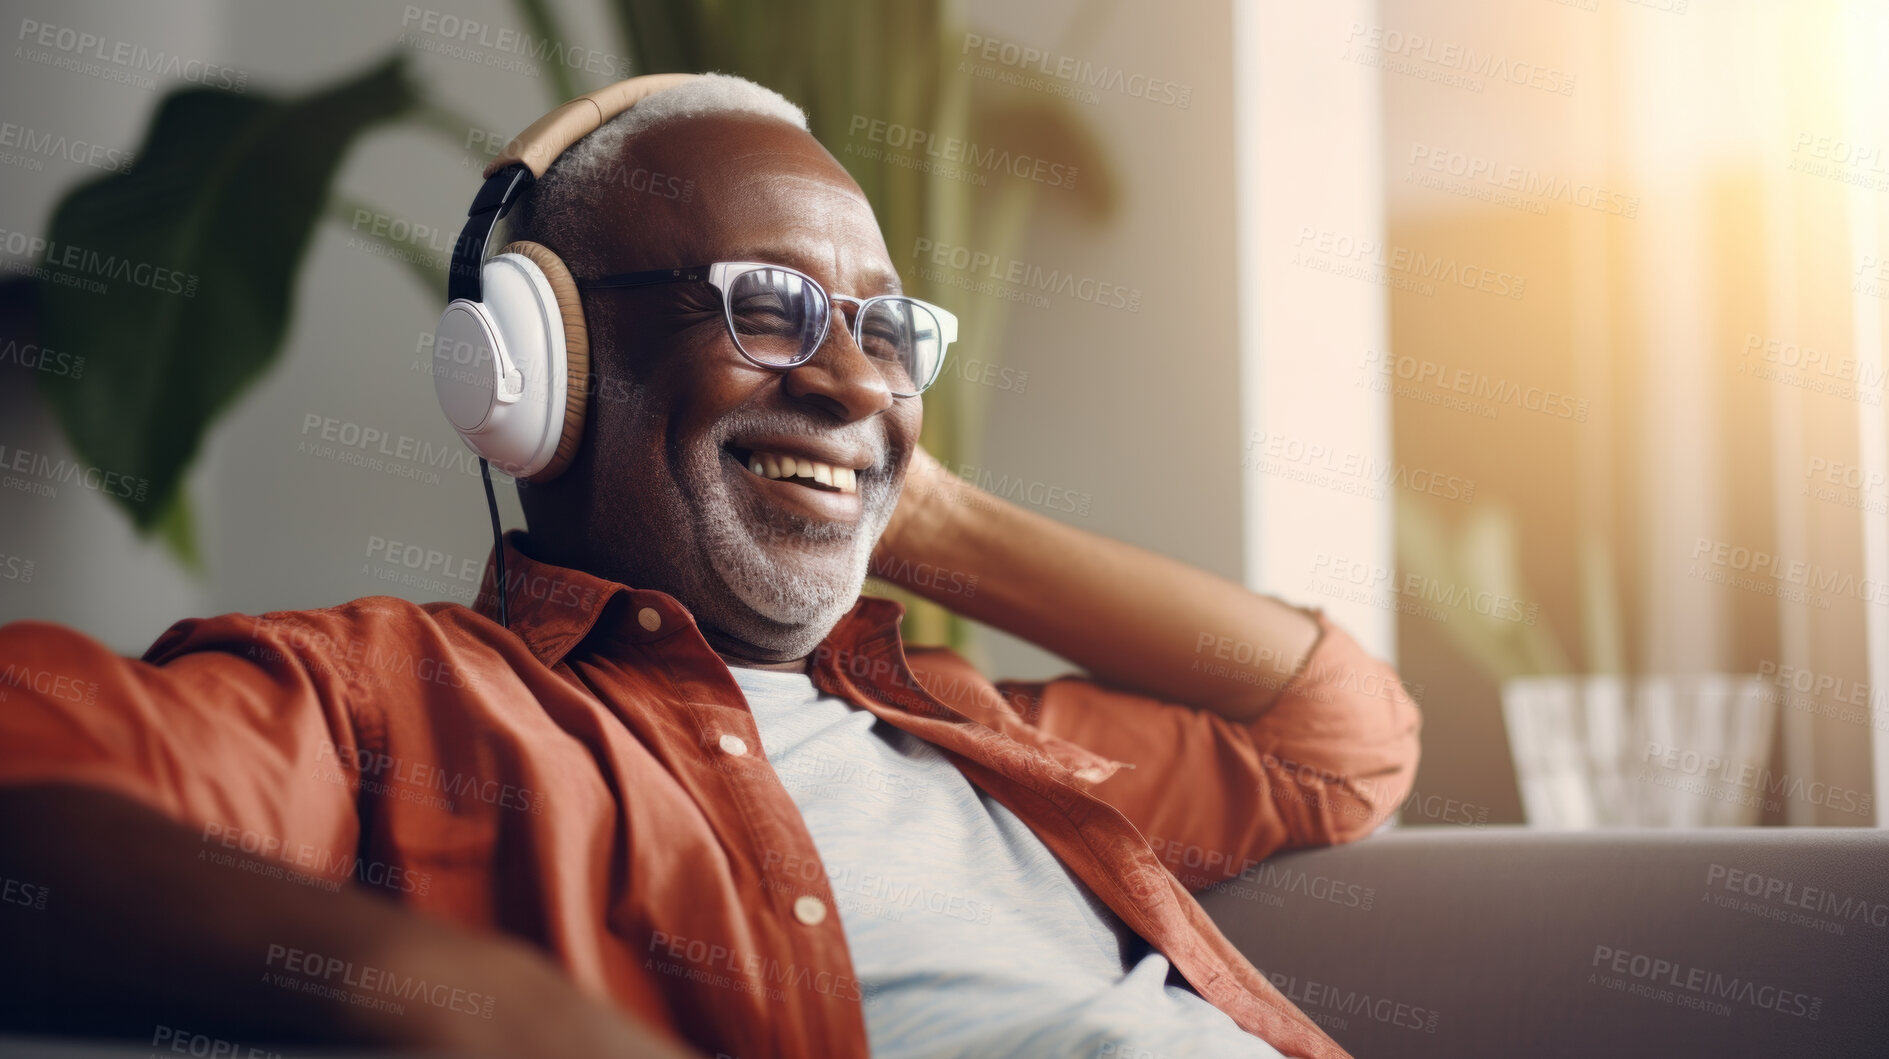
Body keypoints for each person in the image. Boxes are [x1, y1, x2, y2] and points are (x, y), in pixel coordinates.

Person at [0, 74, 1420, 1059]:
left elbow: (1334, 737)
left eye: (882, 332)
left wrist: (909, 502)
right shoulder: (390, 703)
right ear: (537, 371)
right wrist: (455, 996)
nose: (856, 380)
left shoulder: (970, 730)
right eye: (770, 309)